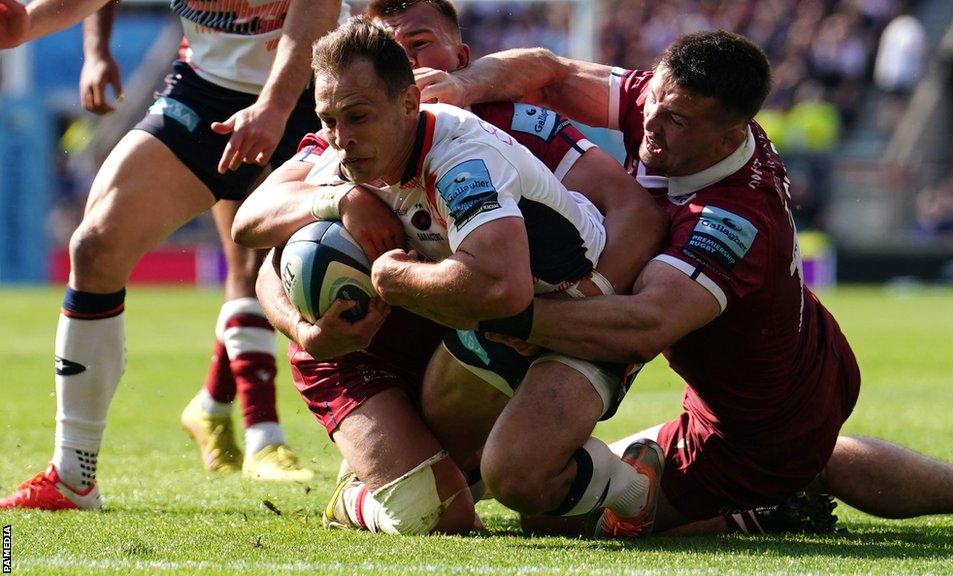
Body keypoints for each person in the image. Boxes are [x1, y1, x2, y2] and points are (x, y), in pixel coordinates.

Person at [418, 30, 953, 536]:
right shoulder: (678, 107)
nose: (649, 122)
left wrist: (504, 313)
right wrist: (462, 86)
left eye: (674, 119)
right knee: (813, 458)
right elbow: (548, 71)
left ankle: (761, 515)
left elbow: (646, 322)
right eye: (653, 99)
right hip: (797, 366)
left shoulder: (731, 218)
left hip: (754, 428)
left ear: (729, 138)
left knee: (546, 506)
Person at [232, 15, 671, 535]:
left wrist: (391, 278)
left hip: (560, 321)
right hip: (466, 329)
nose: (341, 137)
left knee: (524, 487)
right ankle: (377, 490)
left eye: (355, 117)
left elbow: (501, 288)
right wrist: (336, 211)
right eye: (330, 119)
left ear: (416, 96)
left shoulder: (465, 157)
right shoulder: (348, 157)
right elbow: (254, 234)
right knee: (437, 516)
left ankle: (627, 479)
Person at [0, 0, 343, 510]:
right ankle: (74, 474)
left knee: (346, 264)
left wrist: (273, 106)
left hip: (320, 90)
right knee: (96, 246)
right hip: (208, 92)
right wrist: (25, 23)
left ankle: (399, 452)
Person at [76, 0, 313, 480]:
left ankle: (213, 407)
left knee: (279, 265)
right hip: (214, 93)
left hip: (309, 87)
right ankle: (263, 435)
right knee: (251, 264)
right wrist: (97, 50)